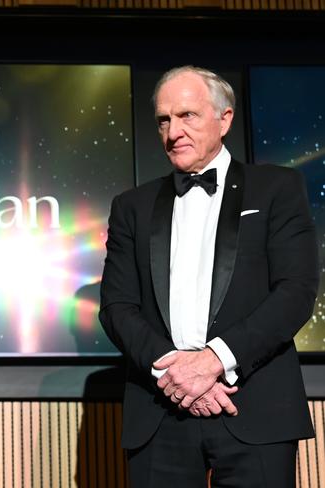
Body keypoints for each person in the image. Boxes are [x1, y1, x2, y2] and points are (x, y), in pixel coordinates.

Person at [99, 66, 318, 487]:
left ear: (225, 119)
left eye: (187, 116)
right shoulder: (132, 206)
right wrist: (177, 375)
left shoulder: (277, 188)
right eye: (164, 119)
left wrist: (214, 360)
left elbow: (295, 292)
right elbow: (116, 307)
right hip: (160, 412)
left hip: (254, 408)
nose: (173, 131)